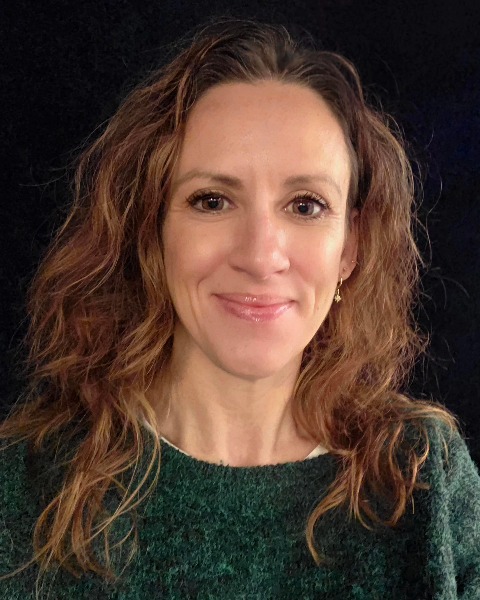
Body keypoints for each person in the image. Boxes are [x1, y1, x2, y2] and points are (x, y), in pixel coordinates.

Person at [1, 18, 479, 599]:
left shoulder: (424, 477)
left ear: (350, 248)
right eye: (212, 200)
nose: (259, 256)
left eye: (305, 205)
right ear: (151, 228)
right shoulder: (23, 485)